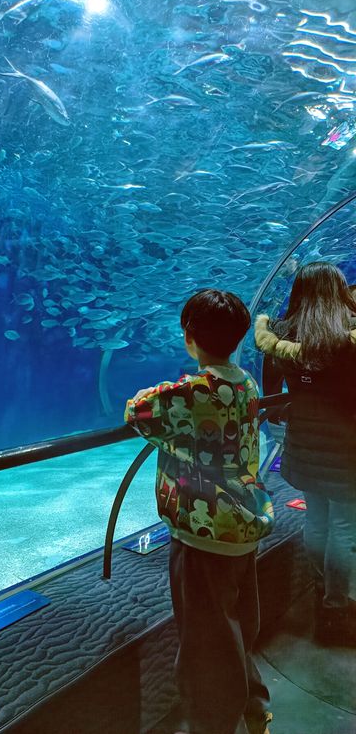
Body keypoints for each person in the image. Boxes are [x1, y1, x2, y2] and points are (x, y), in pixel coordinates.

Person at [125, 289, 275, 734]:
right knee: (239, 619)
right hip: (244, 524)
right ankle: (253, 703)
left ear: (189, 336)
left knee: (204, 637)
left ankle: (213, 721)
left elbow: (137, 410)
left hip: (202, 533)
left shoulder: (192, 392)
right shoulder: (246, 383)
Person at [255, 261, 356, 645]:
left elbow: (272, 394)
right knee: (346, 529)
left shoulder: (280, 333)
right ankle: (335, 610)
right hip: (347, 448)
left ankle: (322, 595)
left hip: (304, 444)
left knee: (317, 521)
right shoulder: (348, 333)